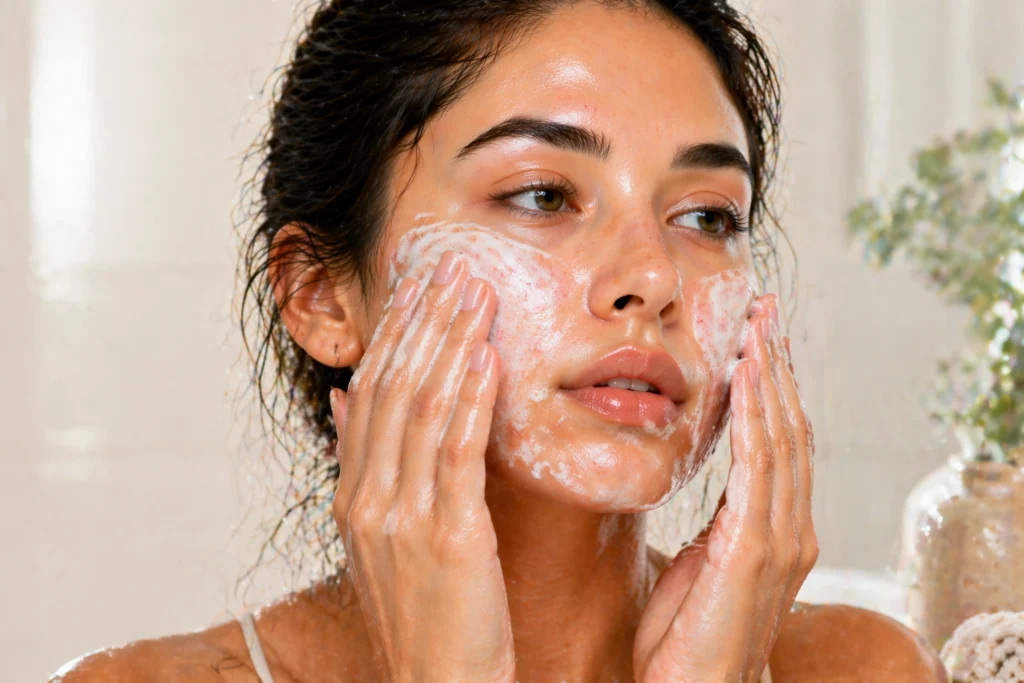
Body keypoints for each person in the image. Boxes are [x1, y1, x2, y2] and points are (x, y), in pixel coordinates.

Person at [52, 0, 948, 680]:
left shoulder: (861, 668)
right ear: (321, 294)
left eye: (707, 214)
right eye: (542, 196)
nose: (654, 277)